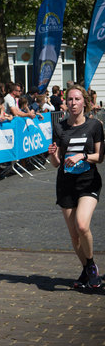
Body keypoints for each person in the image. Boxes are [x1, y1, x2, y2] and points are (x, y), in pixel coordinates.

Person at [48, 85, 104, 289]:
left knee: (82, 225)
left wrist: (83, 156)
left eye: (77, 99)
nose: (73, 103)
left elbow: (100, 157)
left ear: (85, 102)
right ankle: (87, 268)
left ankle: (90, 267)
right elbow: (56, 163)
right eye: (70, 99)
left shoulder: (95, 126)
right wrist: (53, 154)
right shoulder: (60, 127)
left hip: (88, 181)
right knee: (74, 234)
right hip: (65, 184)